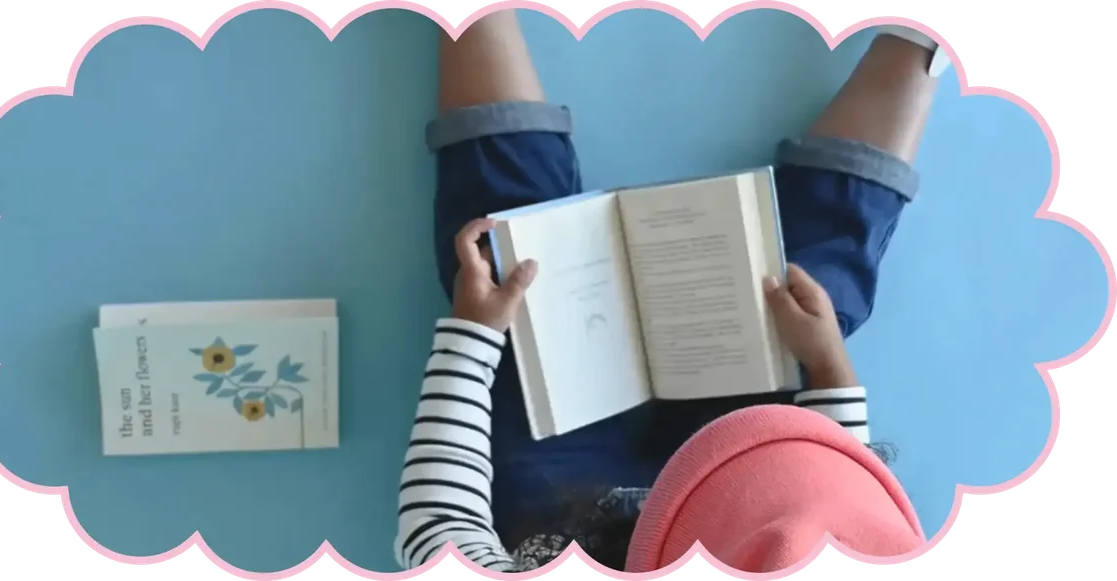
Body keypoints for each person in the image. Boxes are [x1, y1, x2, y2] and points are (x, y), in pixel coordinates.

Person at [397, 9, 946, 573]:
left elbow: (440, 528)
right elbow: (839, 499)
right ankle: (915, 46)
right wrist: (829, 362)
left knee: (508, 261)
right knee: (812, 293)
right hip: (742, 509)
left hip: (568, 516)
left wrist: (473, 333)